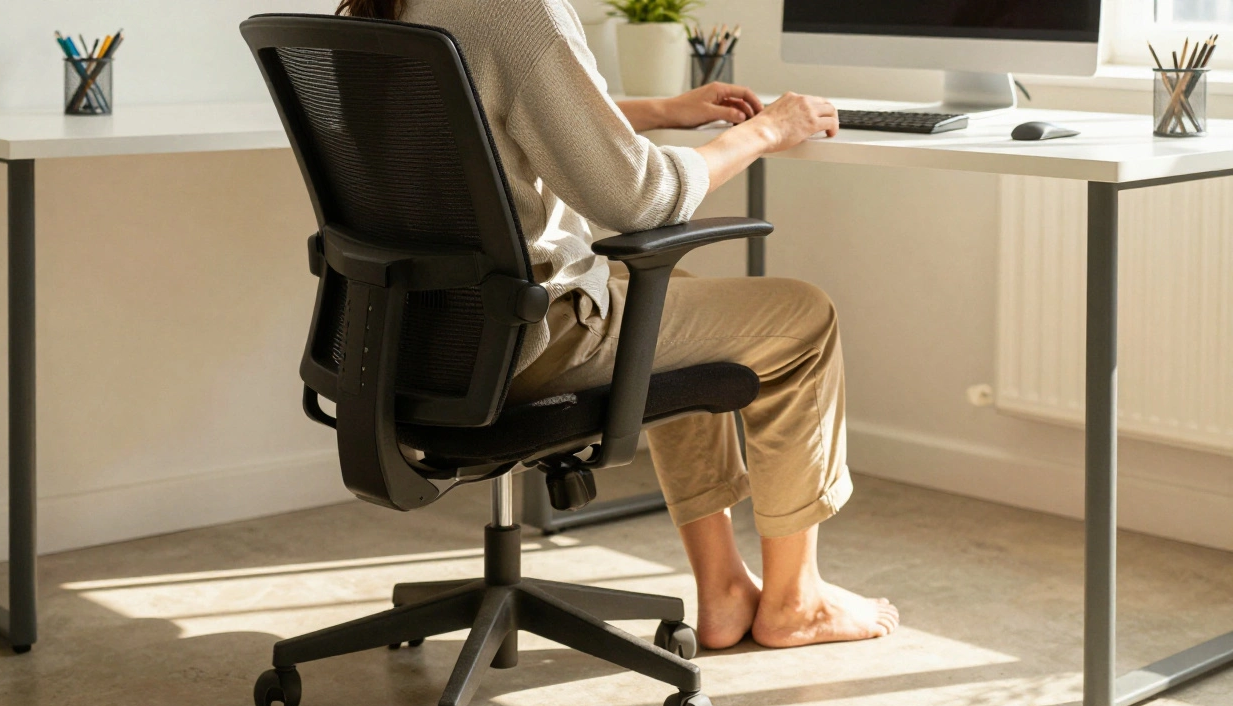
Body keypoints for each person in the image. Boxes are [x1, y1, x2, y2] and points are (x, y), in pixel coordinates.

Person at [336, 0, 899, 650]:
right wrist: (768, 129)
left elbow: (492, 121)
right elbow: (640, 198)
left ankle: (722, 590)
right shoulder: (519, 10)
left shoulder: (386, 7)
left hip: (416, 342)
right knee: (804, 317)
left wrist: (660, 111)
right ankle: (796, 604)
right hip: (532, 342)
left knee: (674, 297)